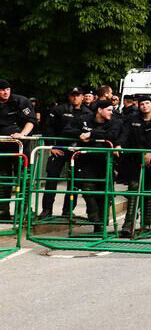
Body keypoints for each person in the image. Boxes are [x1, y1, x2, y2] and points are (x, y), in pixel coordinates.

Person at [120, 95, 151, 237]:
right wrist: (119, 145)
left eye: (147, 103)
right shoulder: (132, 119)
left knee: (149, 191)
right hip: (135, 159)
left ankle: (146, 223)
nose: (144, 106)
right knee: (134, 189)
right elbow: (125, 134)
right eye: (142, 104)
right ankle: (128, 224)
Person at [39, 87, 91, 219]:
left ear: (82, 96)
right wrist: (51, 146)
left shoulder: (88, 112)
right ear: (69, 96)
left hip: (77, 151)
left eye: (78, 95)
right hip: (59, 149)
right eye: (73, 95)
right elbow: (48, 128)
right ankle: (46, 210)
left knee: (74, 182)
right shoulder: (59, 110)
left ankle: (68, 211)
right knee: (52, 179)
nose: (75, 98)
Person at [73, 100, 123, 233]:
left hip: (105, 160)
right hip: (87, 160)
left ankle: (100, 224)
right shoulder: (84, 119)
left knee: (104, 193)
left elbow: (112, 135)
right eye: (108, 110)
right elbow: (68, 130)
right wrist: (80, 135)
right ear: (100, 110)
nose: (111, 112)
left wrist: (91, 135)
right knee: (87, 188)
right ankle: (94, 218)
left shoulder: (115, 121)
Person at [0, 79, 36, 220]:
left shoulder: (21, 101)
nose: (5, 92)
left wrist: (22, 134)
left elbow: (31, 121)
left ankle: (23, 211)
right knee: (3, 179)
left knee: (24, 178)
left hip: (21, 147)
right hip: (2, 147)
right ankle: (3, 211)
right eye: (2, 90)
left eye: (7, 89)